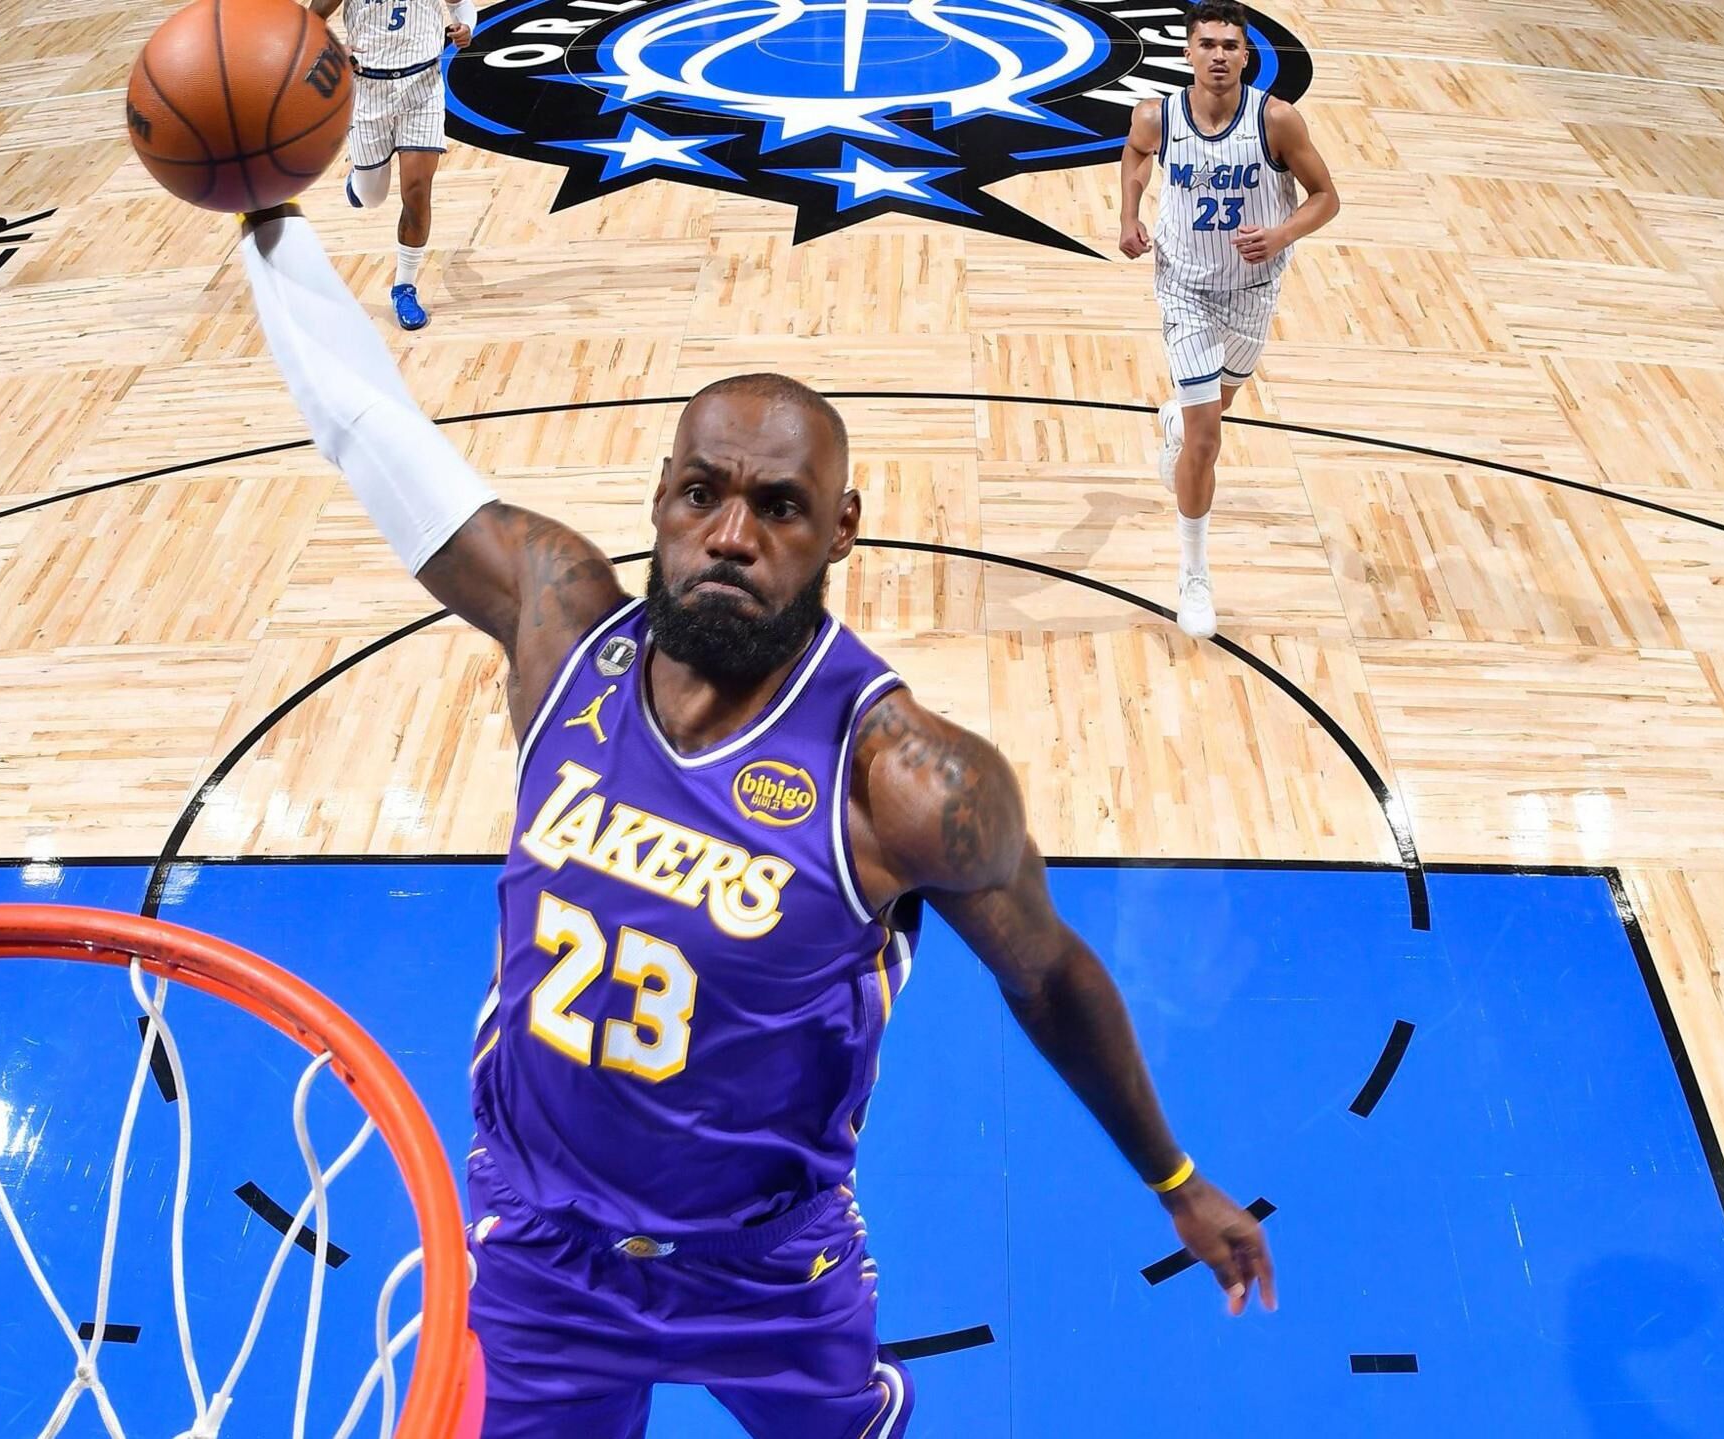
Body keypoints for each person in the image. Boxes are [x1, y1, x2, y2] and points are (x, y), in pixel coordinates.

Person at [236, 203, 1278, 1436]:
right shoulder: (559, 633)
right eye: (702, 494)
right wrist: (266, 220)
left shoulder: (908, 778)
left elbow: (1047, 973)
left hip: (768, 1267)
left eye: (779, 507)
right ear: (661, 501)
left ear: (841, 528)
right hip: (541, 1248)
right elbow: (372, 427)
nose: (731, 535)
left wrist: (1173, 1176)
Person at [1116, 0, 1337, 640]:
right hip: (1184, 286)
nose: (1218, 55)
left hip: (1253, 289)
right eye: (1207, 44)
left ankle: (1175, 422)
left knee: (1222, 399)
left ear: (1246, 56)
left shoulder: (1277, 120)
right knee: (1208, 438)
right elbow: (1135, 153)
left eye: (1230, 46)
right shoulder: (1156, 115)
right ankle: (1195, 574)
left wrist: (1281, 233)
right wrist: (1129, 214)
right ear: (1188, 51)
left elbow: (1327, 197)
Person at [306, 0, 471, 330]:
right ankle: (358, 183)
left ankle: (404, 287)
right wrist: (334, 49)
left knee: (417, 189)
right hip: (367, 90)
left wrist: (467, 27)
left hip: (423, 88)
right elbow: (311, 20)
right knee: (372, 197)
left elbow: (461, 5)